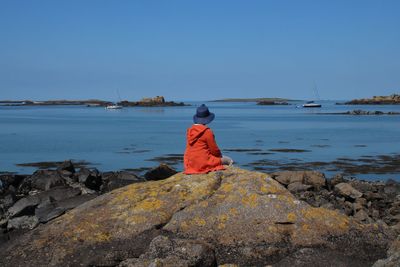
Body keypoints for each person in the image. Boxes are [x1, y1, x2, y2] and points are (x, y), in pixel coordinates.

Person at [184, 104, 233, 174]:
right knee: (229, 160)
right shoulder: (207, 131)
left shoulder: (190, 130)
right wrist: (219, 158)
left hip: (190, 163)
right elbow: (214, 150)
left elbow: (189, 149)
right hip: (203, 162)